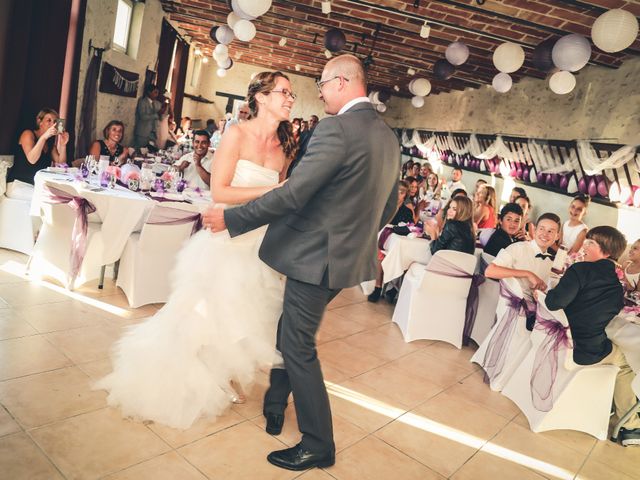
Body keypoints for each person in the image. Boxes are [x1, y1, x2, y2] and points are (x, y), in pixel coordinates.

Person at [204, 54, 399, 471]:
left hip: (317, 259)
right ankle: (276, 402)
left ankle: (317, 442)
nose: (320, 92)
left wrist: (231, 217)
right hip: (345, 262)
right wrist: (359, 239)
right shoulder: (386, 135)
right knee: (291, 330)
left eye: (323, 84)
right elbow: (391, 203)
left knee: (297, 344)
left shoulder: (337, 128)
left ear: (343, 82)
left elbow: (294, 195)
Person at [95, 71, 297, 431]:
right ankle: (185, 375)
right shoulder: (237, 134)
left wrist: (280, 198)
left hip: (259, 243)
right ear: (261, 98)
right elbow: (220, 192)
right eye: (283, 92)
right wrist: (275, 191)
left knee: (245, 315)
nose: (290, 98)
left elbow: (281, 200)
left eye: (291, 93)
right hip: (227, 238)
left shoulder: (284, 147)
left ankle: (225, 374)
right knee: (207, 313)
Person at [544, 226, 640, 446]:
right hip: (583, 349)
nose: (584, 247)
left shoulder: (580, 271)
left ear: (606, 252)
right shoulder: (616, 288)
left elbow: (553, 302)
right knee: (626, 363)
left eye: (590, 243)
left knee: (618, 351)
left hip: (567, 341)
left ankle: (623, 417)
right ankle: (629, 424)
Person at [485, 212, 560, 312]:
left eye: (550, 231)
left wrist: (541, 293)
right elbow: (489, 271)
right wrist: (527, 274)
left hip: (532, 311)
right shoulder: (518, 248)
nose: (545, 234)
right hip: (509, 307)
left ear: (557, 236)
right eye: (541, 229)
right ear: (535, 230)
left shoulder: (551, 262)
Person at [6, 108, 69, 200]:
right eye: (49, 120)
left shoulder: (49, 143)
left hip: (34, 185)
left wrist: (63, 145)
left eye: (55, 122)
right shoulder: (28, 134)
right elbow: (32, 159)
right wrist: (43, 137)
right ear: (40, 121)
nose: (53, 124)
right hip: (18, 184)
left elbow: (61, 164)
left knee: (61, 197)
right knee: (50, 199)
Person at [368, 180, 413, 303]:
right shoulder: (385, 206)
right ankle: (378, 287)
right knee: (380, 254)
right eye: (396, 191)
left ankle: (393, 287)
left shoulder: (407, 211)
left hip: (397, 241)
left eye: (402, 192)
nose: (398, 194)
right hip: (382, 237)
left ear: (406, 195)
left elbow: (409, 227)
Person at [133, 84, 163, 148]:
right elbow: (143, 116)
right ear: (149, 92)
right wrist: (156, 115)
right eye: (155, 92)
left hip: (153, 133)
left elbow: (160, 118)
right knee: (140, 151)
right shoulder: (142, 101)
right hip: (143, 133)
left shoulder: (158, 103)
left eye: (158, 93)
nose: (157, 94)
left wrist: (162, 113)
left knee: (151, 152)